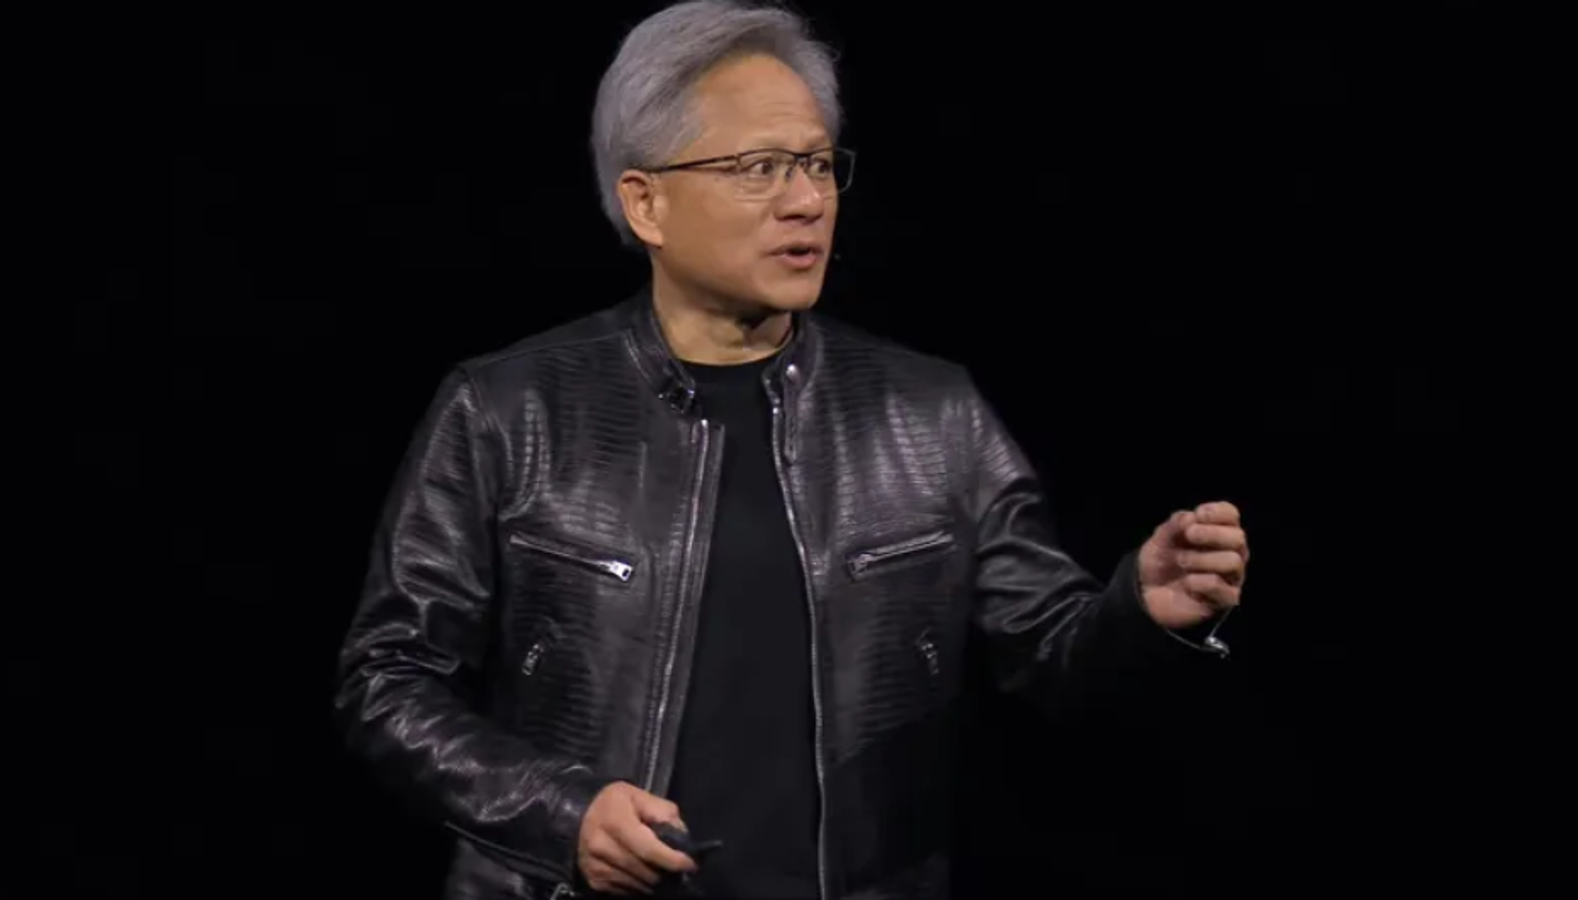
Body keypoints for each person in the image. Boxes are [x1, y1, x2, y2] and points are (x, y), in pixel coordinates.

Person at [332, 2, 1249, 898]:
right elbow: (389, 682)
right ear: (646, 203)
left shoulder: (930, 414)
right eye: (758, 167)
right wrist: (562, 816)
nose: (807, 201)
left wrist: (1143, 614)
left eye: (816, 164)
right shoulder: (510, 408)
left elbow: (1052, 655)